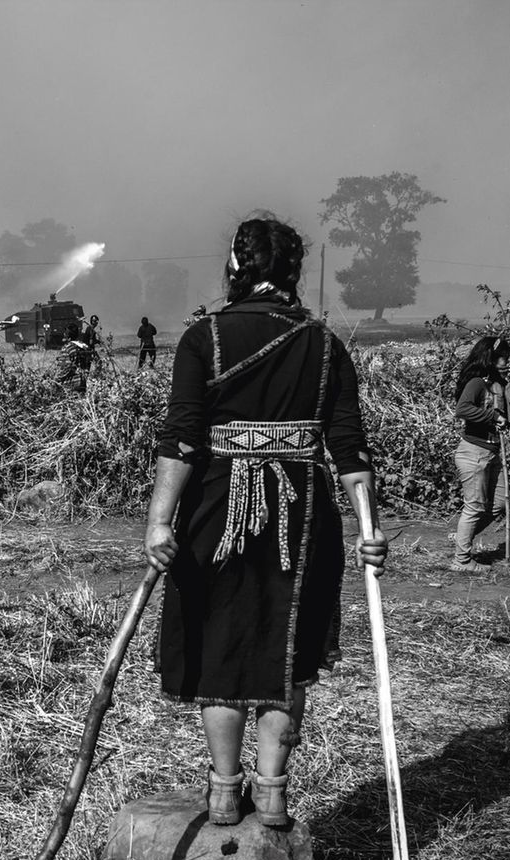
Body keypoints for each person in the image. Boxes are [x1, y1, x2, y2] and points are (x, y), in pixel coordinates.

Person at [143, 216, 388, 829]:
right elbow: (350, 451)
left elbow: (181, 441)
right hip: (302, 516)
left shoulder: (204, 339)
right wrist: (369, 529)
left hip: (214, 512)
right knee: (288, 650)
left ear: (236, 265)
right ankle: (272, 792)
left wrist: (159, 522)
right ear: (293, 271)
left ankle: (225, 793)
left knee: (220, 649)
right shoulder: (325, 345)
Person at [450, 336, 510, 572]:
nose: (506, 361)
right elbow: (462, 409)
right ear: (489, 358)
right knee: (474, 506)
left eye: (507, 357)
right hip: (474, 452)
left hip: (492, 452)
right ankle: (461, 560)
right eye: (502, 356)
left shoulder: (499, 383)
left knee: (499, 504)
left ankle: (464, 534)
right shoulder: (476, 382)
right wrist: (492, 416)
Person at [54, 323, 89, 394]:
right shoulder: (83, 347)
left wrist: (56, 379)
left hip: (70, 384)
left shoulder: (67, 348)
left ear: (68, 337)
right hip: (82, 382)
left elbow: (65, 368)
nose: (63, 335)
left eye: (65, 334)